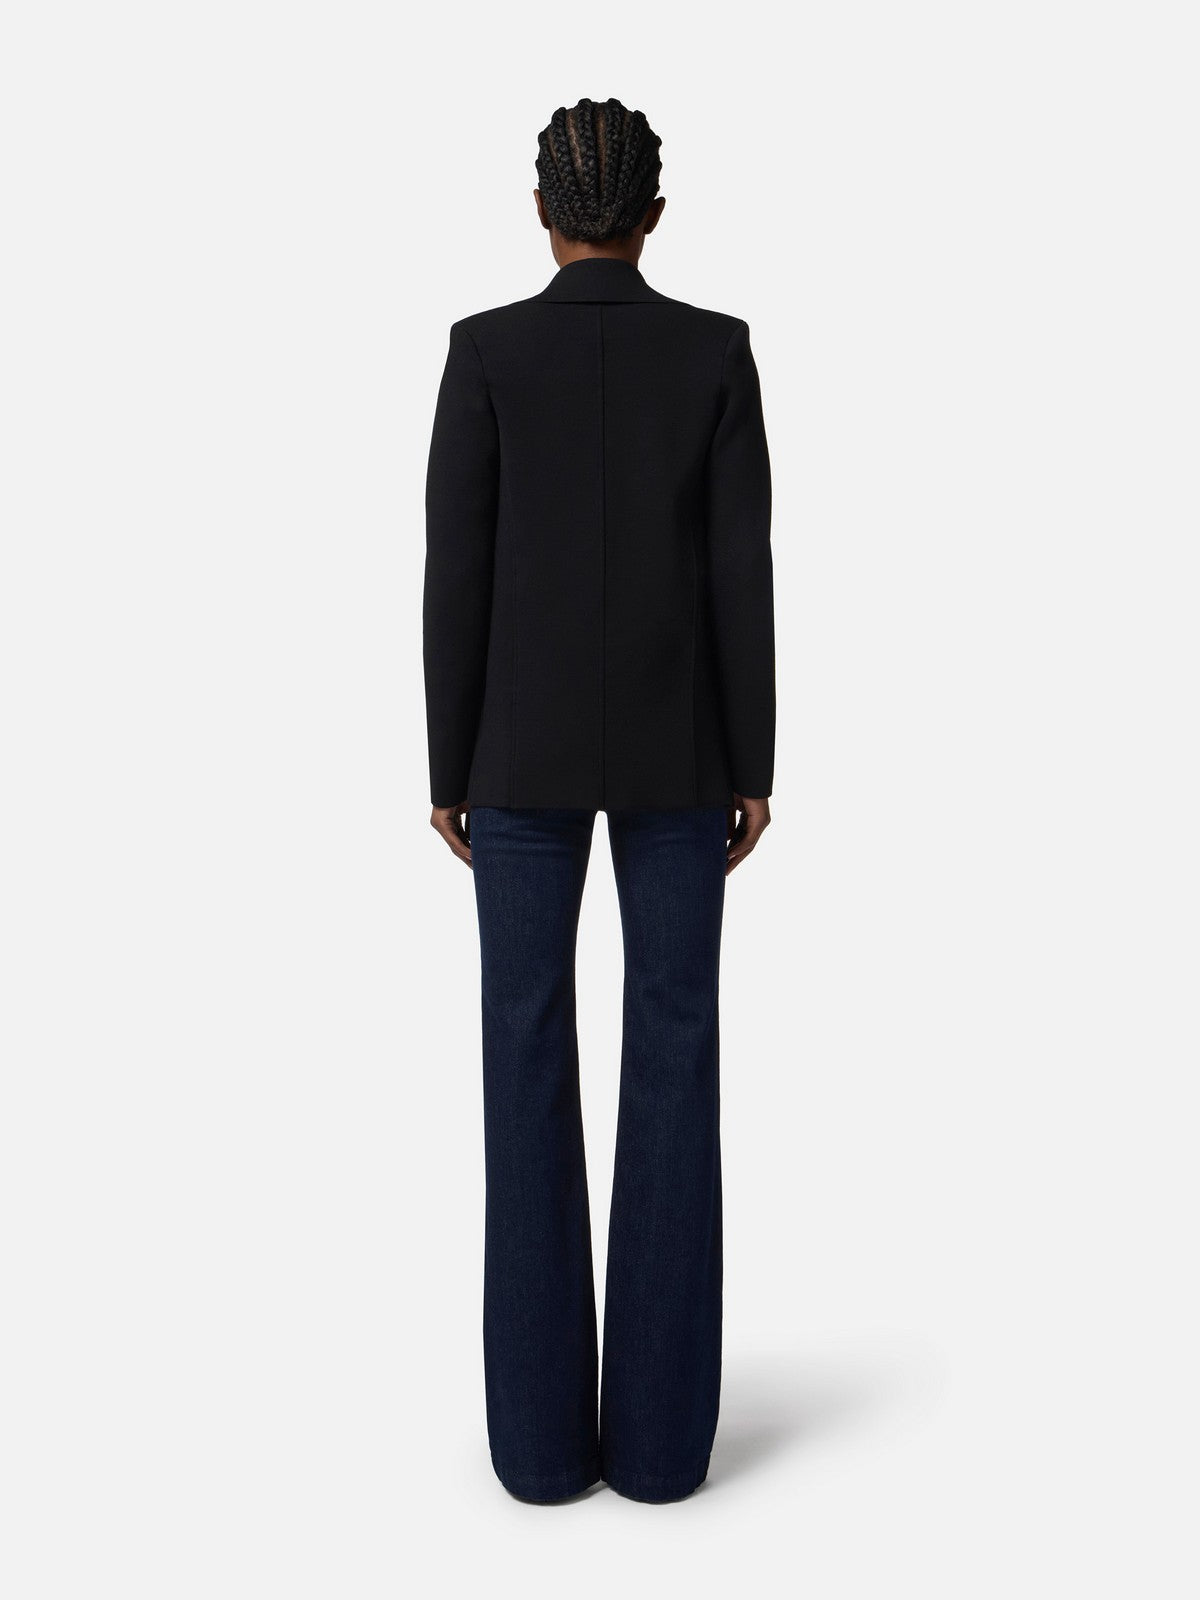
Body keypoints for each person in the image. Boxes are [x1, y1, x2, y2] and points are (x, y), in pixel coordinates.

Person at [422, 97, 775, 1504]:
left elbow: (457, 570)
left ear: (542, 212)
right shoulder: (715, 353)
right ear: (653, 215)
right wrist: (754, 762)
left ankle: (537, 1452)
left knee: (521, 1061)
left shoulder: (486, 354)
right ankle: (664, 1451)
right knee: (676, 1055)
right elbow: (740, 567)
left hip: (515, 758)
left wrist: (448, 766)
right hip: (684, 754)